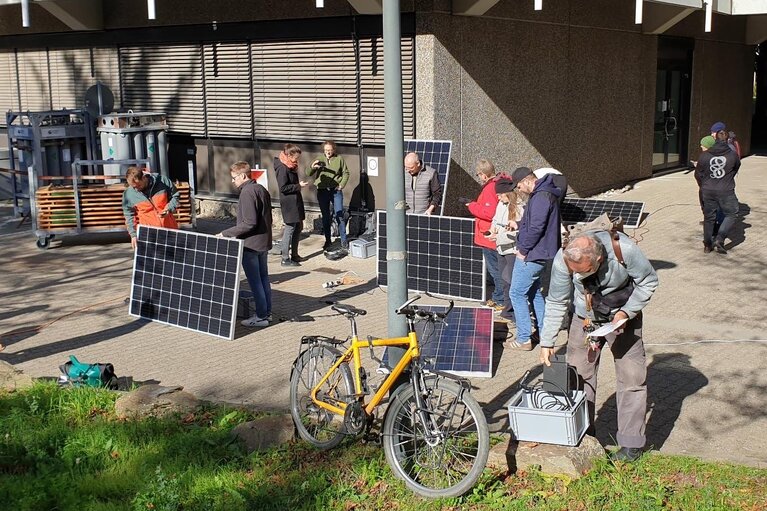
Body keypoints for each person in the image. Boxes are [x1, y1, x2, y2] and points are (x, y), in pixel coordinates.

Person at [539, 231, 659, 462]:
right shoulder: (563, 258)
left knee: (632, 378)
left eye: (584, 271)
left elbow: (649, 281)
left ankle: (631, 445)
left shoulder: (624, 250)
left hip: (623, 317)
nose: (578, 276)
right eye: (575, 272)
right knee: (578, 379)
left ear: (599, 260)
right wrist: (547, 341)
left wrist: (626, 312)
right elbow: (556, 300)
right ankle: (583, 434)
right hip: (584, 320)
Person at [506, 166, 563, 350]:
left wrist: (523, 250)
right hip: (541, 253)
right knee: (533, 292)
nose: (518, 190)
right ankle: (543, 332)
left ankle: (524, 338)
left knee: (516, 293)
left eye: (519, 186)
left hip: (533, 254)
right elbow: (535, 222)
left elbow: (536, 228)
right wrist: (519, 223)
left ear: (527, 181)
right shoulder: (543, 194)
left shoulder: (540, 197)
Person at [220, 161, 273, 328]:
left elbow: (249, 223)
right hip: (263, 242)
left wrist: (225, 233)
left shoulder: (247, 192)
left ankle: (261, 316)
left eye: (234, 178)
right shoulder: (260, 189)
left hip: (251, 245)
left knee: (255, 281)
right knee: (264, 279)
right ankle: (267, 313)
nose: (233, 181)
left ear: (243, 176)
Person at [466, 159, 506, 310]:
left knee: (495, 270)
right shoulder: (501, 183)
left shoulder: (490, 188)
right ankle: (500, 296)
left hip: (489, 235)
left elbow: (489, 213)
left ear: (483, 175)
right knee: (498, 269)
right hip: (495, 233)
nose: (479, 178)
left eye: (479, 175)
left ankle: (500, 299)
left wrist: (472, 206)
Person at [695, 129, 740, 254]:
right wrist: (727, 179)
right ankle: (720, 238)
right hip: (726, 190)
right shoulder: (732, 155)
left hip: (708, 190)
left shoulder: (705, 155)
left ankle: (707, 245)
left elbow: (698, 173)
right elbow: (736, 168)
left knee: (709, 217)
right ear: (726, 141)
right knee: (732, 213)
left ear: (715, 140)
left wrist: (704, 184)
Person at [487, 177, 525, 323]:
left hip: (512, 249)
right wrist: (493, 231)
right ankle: (507, 309)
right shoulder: (501, 205)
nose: (498, 197)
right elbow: (495, 221)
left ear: (508, 193)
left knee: (511, 281)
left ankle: (512, 311)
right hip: (501, 247)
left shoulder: (519, 207)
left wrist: (501, 236)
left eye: (500, 195)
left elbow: (520, 230)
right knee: (504, 280)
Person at [122, 166, 180, 249]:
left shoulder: (162, 181)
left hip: (170, 230)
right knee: (153, 261)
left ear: (144, 177)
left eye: (138, 185)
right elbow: (129, 215)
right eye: (133, 187)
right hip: (149, 235)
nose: (136, 189)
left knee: (173, 259)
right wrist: (133, 235)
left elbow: (175, 196)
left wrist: (169, 209)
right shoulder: (129, 194)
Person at [308, 140, 350, 250]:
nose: (328, 152)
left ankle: (343, 241)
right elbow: (308, 173)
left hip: (335, 190)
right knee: (326, 216)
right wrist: (312, 167)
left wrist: (341, 185)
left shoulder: (339, 159)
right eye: (326, 150)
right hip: (322, 191)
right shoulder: (319, 158)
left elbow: (346, 173)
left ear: (334, 150)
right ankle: (328, 240)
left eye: (330, 150)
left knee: (339, 214)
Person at [274, 143, 309, 266]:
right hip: (289, 203)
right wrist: (298, 186)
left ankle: (295, 255)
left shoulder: (290, 165)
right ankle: (285, 258)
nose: (297, 160)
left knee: (298, 227)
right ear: (289, 155)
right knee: (290, 229)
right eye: (296, 158)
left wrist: (298, 186)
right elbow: (283, 187)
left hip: (295, 200)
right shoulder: (282, 168)